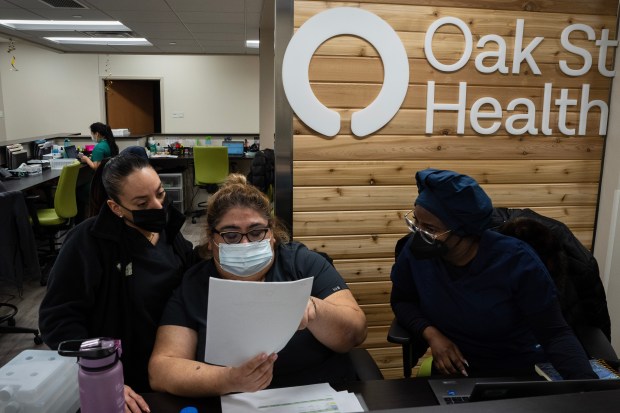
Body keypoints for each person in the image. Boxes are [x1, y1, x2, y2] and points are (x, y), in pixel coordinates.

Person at [148, 174, 368, 397]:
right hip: (236, 400)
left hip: (317, 393)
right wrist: (228, 379)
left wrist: (314, 310)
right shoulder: (195, 285)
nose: (245, 243)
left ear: (271, 233)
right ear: (212, 239)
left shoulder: (302, 264)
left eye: (256, 232)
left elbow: (355, 333)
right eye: (231, 235)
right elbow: (161, 370)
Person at [390, 168, 596, 379]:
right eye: (415, 222)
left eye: (430, 229)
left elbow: (554, 334)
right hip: (456, 370)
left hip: (518, 371)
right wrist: (432, 334)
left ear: (465, 231)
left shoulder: (517, 261)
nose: (419, 233)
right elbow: (402, 300)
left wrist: (590, 391)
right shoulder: (415, 254)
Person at [39, 153, 197, 412]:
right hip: (126, 379)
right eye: (142, 202)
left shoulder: (167, 228)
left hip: (174, 366)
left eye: (159, 193)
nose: (157, 206)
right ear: (115, 207)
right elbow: (58, 319)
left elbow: (190, 278)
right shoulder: (88, 243)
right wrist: (104, 377)